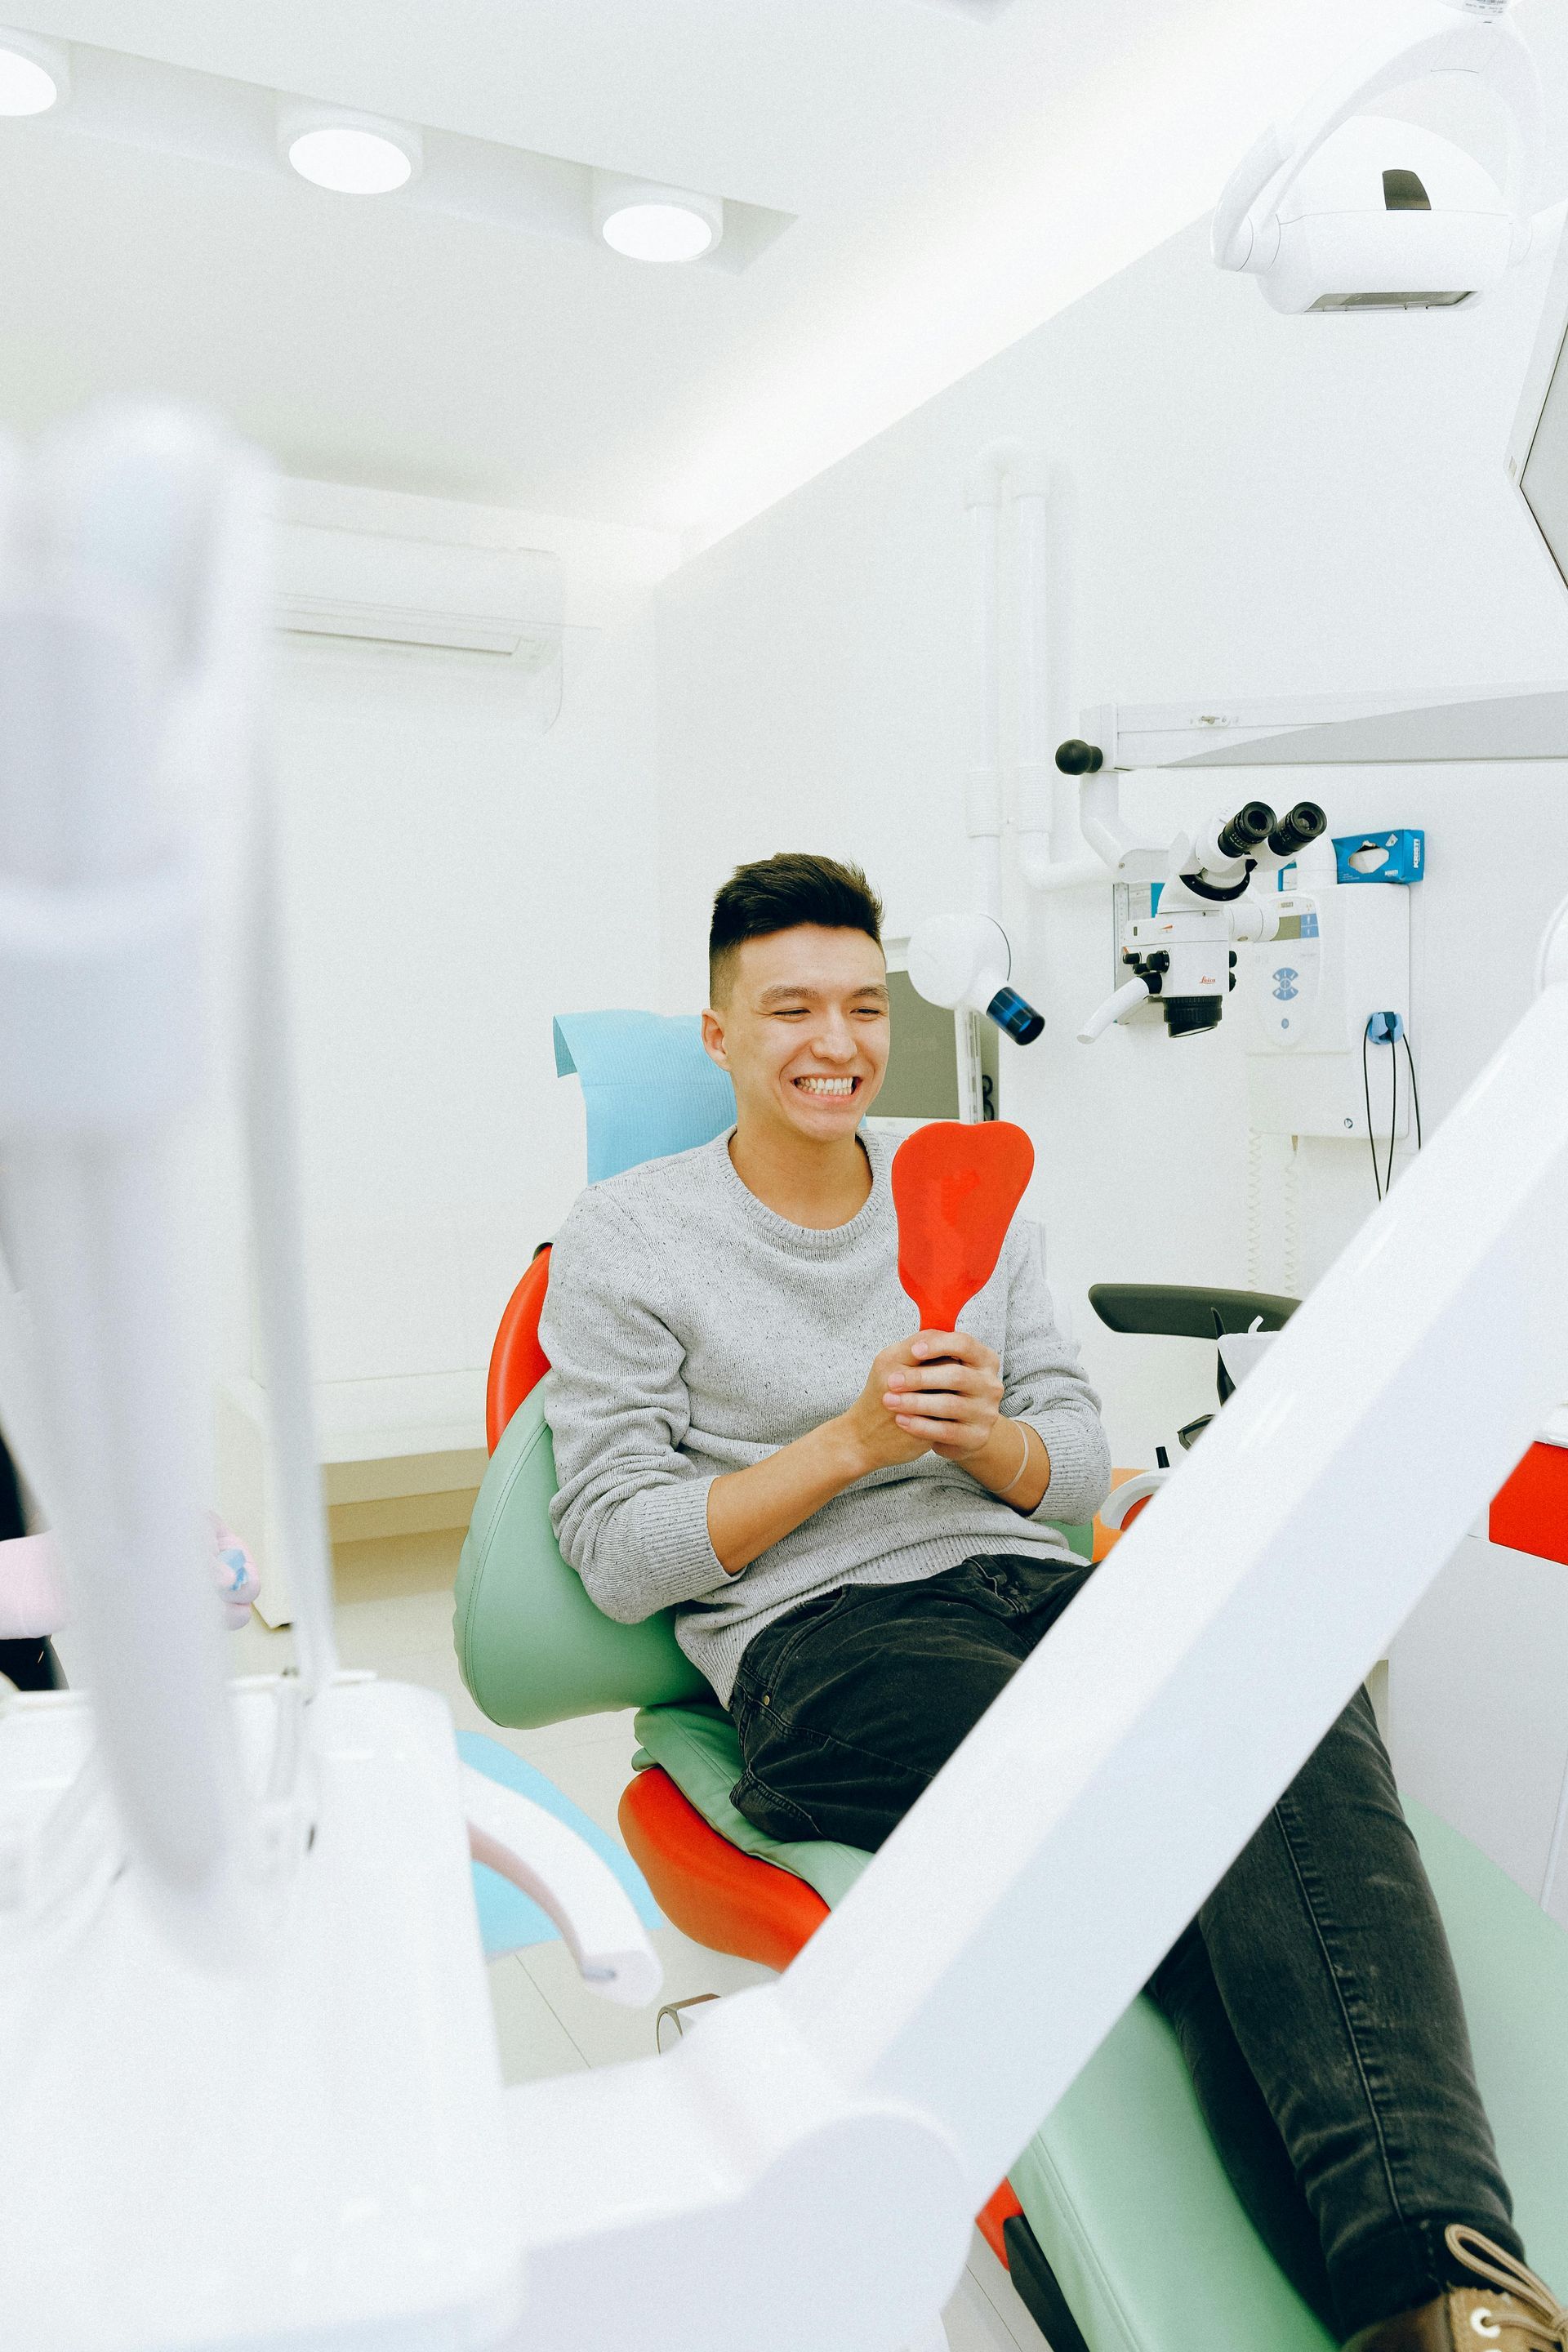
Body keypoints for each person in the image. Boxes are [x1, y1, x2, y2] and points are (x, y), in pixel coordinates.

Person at [541, 851, 1565, 2352]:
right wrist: (854, 1444)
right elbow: (620, 1552)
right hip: (826, 1647)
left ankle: (1444, 2303)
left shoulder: (970, 1189)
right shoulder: (629, 1236)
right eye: (786, 1013)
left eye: (857, 1006)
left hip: (1032, 1580)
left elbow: (1076, 1454)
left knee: (1274, 1692)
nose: (834, 1044)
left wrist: (990, 1442)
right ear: (718, 1035)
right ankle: (1432, 2272)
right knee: (1149, 1775)